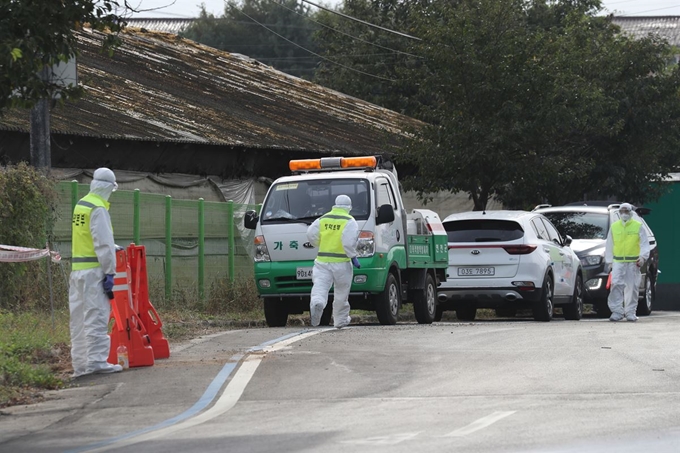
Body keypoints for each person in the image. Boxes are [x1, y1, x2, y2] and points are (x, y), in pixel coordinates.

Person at [69, 168, 123, 376]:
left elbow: (86, 237)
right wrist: (110, 271)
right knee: (97, 315)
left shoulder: (81, 205)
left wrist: (110, 246)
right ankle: (97, 361)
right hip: (94, 272)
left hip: (78, 271)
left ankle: (80, 364)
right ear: (109, 187)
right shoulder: (99, 208)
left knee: (79, 320)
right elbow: (102, 242)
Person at [307, 194, 361, 329]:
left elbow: (311, 234)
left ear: (335, 205)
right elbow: (348, 242)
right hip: (342, 262)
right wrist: (353, 255)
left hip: (322, 261)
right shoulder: (350, 221)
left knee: (320, 286)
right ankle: (340, 320)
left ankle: (317, 303)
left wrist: (317, 243)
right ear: (349, 207)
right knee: (341, 292)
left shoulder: (323, 219)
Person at [604, 203, 650, 322]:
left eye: (626, 211)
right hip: (618, 262)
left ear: (630, 213)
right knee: (616, 286)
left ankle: (630, 312)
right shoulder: (614, 227)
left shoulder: (638, 226)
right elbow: (609, 244)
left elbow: (645, 244)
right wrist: (609, 261)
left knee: (632, 287)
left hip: (633, 263)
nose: (624, 214)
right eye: (622, 211)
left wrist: (643, 257)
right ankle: (617, 311)